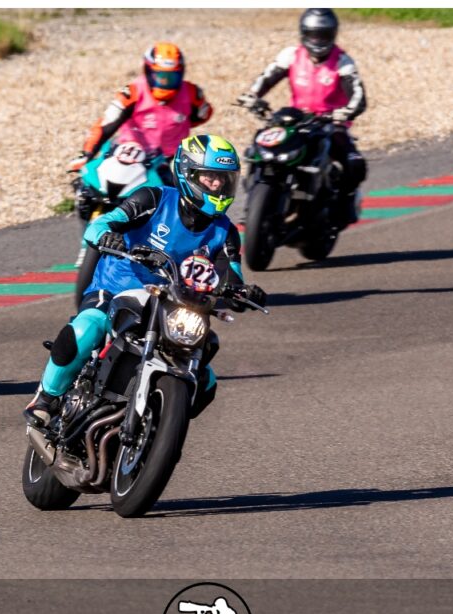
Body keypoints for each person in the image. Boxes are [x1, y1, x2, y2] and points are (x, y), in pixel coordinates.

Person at [26, 134, 267, 426]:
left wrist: (242, 292)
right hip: (115, 289)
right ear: (187, 174)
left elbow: (231, 274)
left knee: (206, 382)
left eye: (223, 179)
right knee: (84, 329)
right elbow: (101, 224)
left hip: (174, 305)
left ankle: (155, 427)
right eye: (209, 177)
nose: (217, 185)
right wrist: (107, 237)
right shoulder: (153, 198)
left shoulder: (224, 232)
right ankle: (46, 397)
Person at [237, 8, 368, 229]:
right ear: (304, 34)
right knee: (259, 146)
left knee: (353, 162)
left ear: (332, 34)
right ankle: (252, 203)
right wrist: (252, 96)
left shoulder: (342, 61)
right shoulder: (291, 55)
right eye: (313, 35)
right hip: (296, 119)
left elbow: (358, 96)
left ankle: (345, 206)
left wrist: (346, 112)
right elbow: (266, 78)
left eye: (323, 35)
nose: (318, 41)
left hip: (331, 122)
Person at [67, 42, 214, 184]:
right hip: (130, 153)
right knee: (93, 182)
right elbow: (106, 124)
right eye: (159, 76)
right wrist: (86, 153)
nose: (164, 82)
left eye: (171, 77)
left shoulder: (192, 93)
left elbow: (203, 115)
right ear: (148, 72)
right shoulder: (132, 92)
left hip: (169, 158)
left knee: (184, 191)